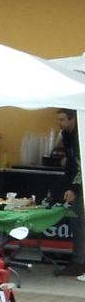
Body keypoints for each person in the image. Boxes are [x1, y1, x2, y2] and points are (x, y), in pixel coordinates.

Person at [53, 109, 85, 280]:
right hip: (76, 181)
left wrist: (74, 188)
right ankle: (78, 260)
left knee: (78, 222)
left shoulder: (80, 135)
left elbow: (81, 164)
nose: (60, 123)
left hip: (80, 182)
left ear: (73, 119)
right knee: (76, 221)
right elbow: (71, 164)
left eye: (62, 119)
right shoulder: (66, 135)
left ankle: (79, 261)